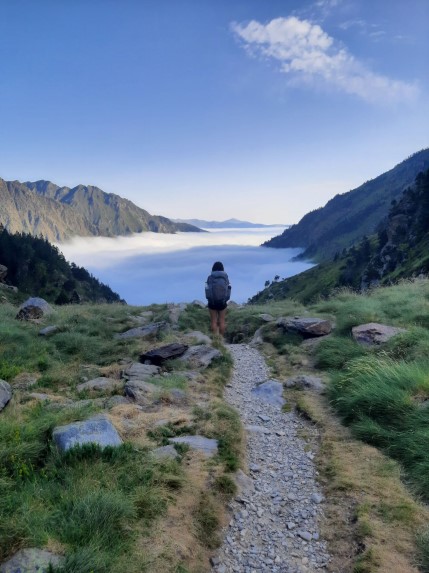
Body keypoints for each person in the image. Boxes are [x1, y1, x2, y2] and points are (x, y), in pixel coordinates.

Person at [205, 261, 231, 336]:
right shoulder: (225, 277)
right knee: (222, 321)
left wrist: (209, 300)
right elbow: (228, 289)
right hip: (222, 303)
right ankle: (221, 340)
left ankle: (215, 340)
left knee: (213, 321)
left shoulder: (210, 277)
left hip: (212, 303)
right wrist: (225, 299)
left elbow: (207, 290)